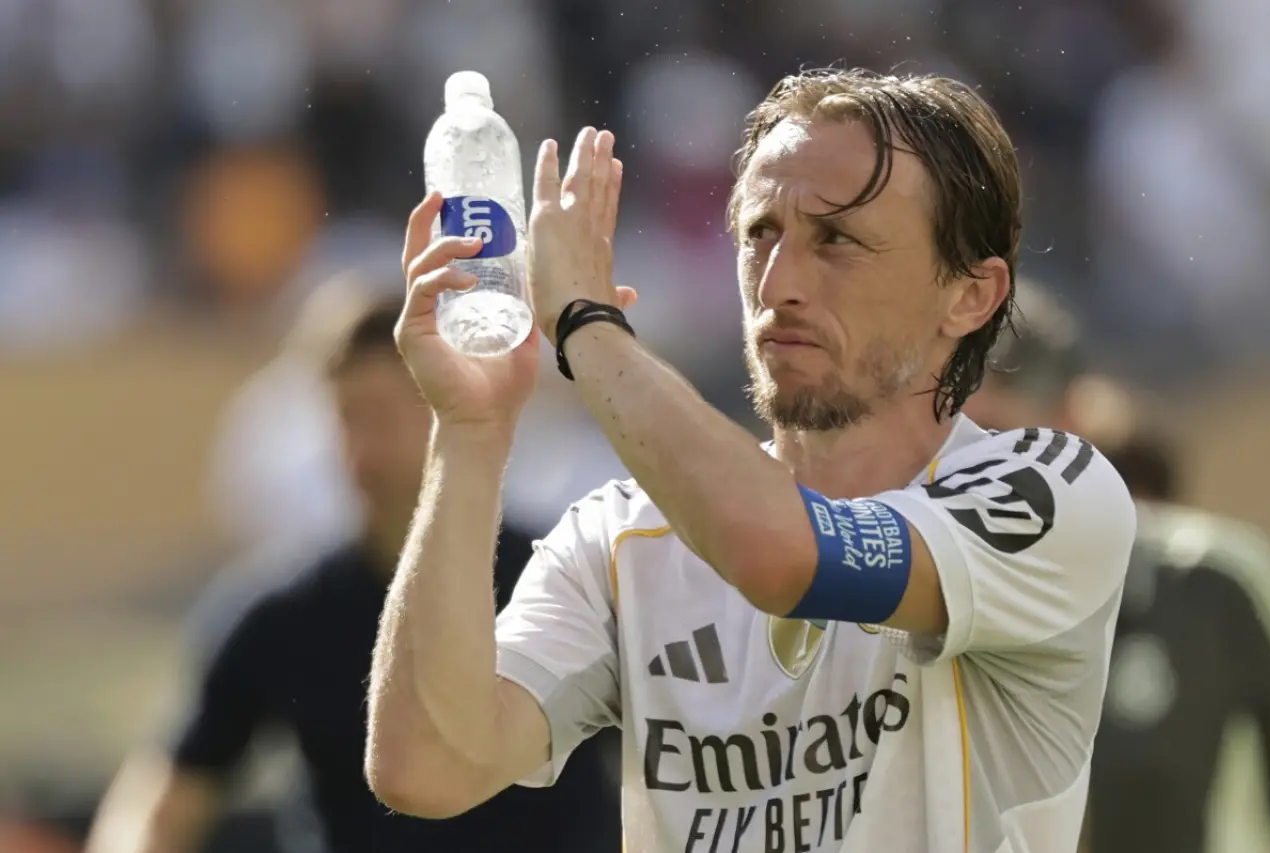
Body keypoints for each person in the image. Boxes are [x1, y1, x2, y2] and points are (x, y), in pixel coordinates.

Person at [366, 68, 1136, 853]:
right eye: (761, 233)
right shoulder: (622, 534)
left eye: (838, 239)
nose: (778, 283)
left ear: (971, 294)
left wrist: (586, 323)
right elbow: (426, 766)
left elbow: (780, 557)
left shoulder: (1048, 491)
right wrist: (470, 429)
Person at [85, 291, 621, 853]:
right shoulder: (284, 612)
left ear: (449, 401)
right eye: (348, 418)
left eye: (384, 416)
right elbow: (165, 799)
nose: (364, 452)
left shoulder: (561, 582)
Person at [966, 279, 1270, 853]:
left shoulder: (1211, 581)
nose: (962, 480)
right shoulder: (912, 622)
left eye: (993, 437)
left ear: (1072, 420)